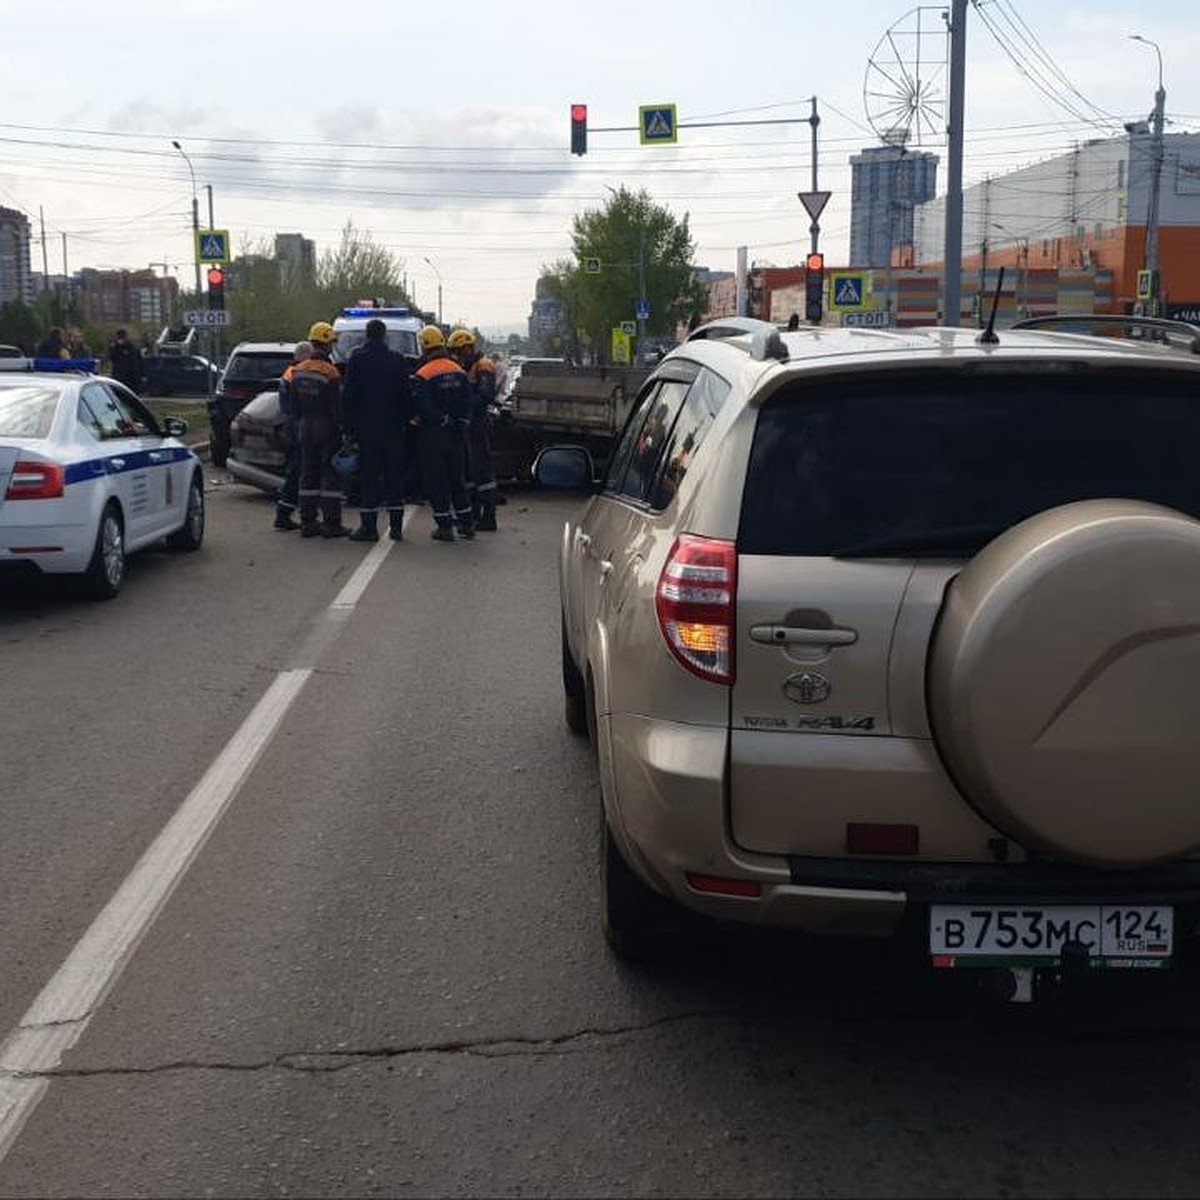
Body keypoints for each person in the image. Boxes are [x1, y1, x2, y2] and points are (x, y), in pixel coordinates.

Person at [342, 318, 413, 542]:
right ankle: (396, 527)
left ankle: (369, 527)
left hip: (367, 429)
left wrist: (348, 427)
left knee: (369, 477)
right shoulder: (397, 359)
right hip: (393, 428)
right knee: (394, 477)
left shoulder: (357, 359)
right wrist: (406, 420)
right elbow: (406, 394)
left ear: (367, 335)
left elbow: (349, 395)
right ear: (384, 336)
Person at [412, 325, 474, 542]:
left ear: (424, 346)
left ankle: (445, 526)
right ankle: (467, 524)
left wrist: (440, 420)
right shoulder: (458, 370)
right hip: (457, 435)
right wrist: (461, 422)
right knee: (457, 479)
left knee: (436, 480)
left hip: (432, 435)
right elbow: (468, 401)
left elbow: (422, 407)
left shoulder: (423, 374)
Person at [292, 321, 350, 538]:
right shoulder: (331, 372)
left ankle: (307, 522)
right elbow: (337, 406)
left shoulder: (298, 370)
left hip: (305, 426)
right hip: (326, 427)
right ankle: (331, 523)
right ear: (327, 344)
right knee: (330, 475)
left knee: (307, 474)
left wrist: (299, 423)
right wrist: (343, 429)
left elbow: (293, 407)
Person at [447, 327, 499, 531]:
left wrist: (464, 404)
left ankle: (489, 516)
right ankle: (472, 514)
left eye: (458, 351)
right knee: (469, 472)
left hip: (478, 424)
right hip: (470, 424)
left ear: (467, 348)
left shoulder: (483, 366)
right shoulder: (468, 367)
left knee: (482, 472)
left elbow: (485, 395)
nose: (457, 356)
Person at [272, 340, 312, 531]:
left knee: (296, 471)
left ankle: (287, 512)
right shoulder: (296, 374)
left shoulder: (289, 373)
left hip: (291, 427)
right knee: (298, 471)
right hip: (297, 428)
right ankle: (284, 513)